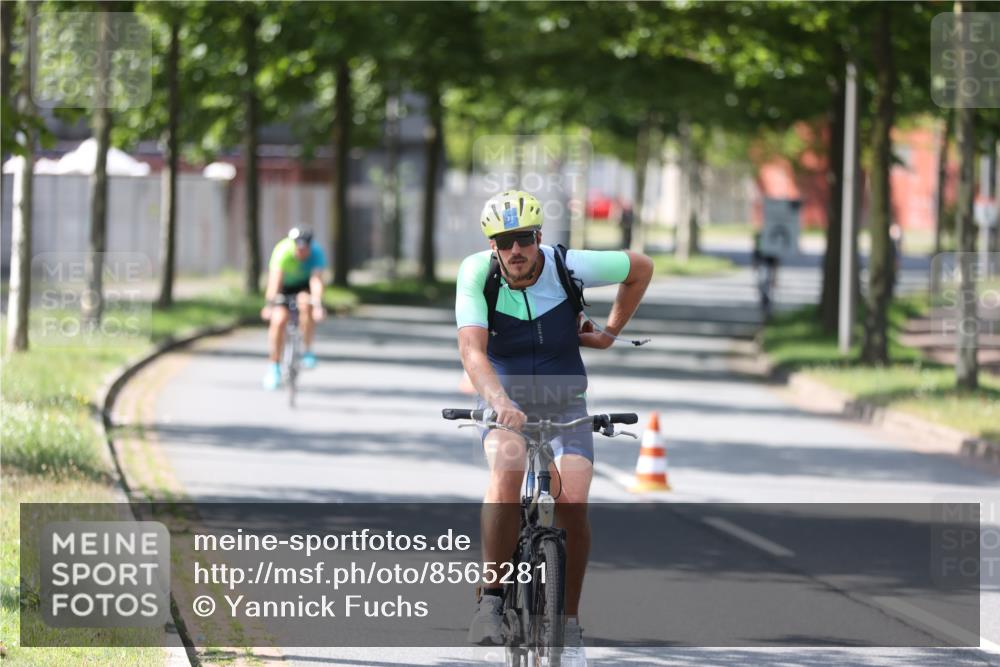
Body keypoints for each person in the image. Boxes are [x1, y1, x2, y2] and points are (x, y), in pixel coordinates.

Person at [455, 190, 653, 665]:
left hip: (566, 401)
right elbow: (472, 351)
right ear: (492, 246)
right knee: (507, 471)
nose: (515, 250)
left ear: (539, 237)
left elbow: (640, 267)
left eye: (524, 238)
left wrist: (609, 333)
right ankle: (491, 600)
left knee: (573, 500)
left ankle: (568, 625)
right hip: (506, 400)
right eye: (504, 242)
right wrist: (499, 402)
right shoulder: (477, 273)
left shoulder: (570, 266)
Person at [260, 227, 327, 389]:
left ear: (310, 246)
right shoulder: (282, 251)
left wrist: (318, 305)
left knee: (306, 305)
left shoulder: (317, 253)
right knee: (278, 321)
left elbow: (316, 281)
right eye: (298, 248)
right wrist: (269, 305)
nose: (300, 253)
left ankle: (308, 350)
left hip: (304, 287)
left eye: (304, 249)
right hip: (285, 287)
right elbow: (275, 282)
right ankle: (274, 366)